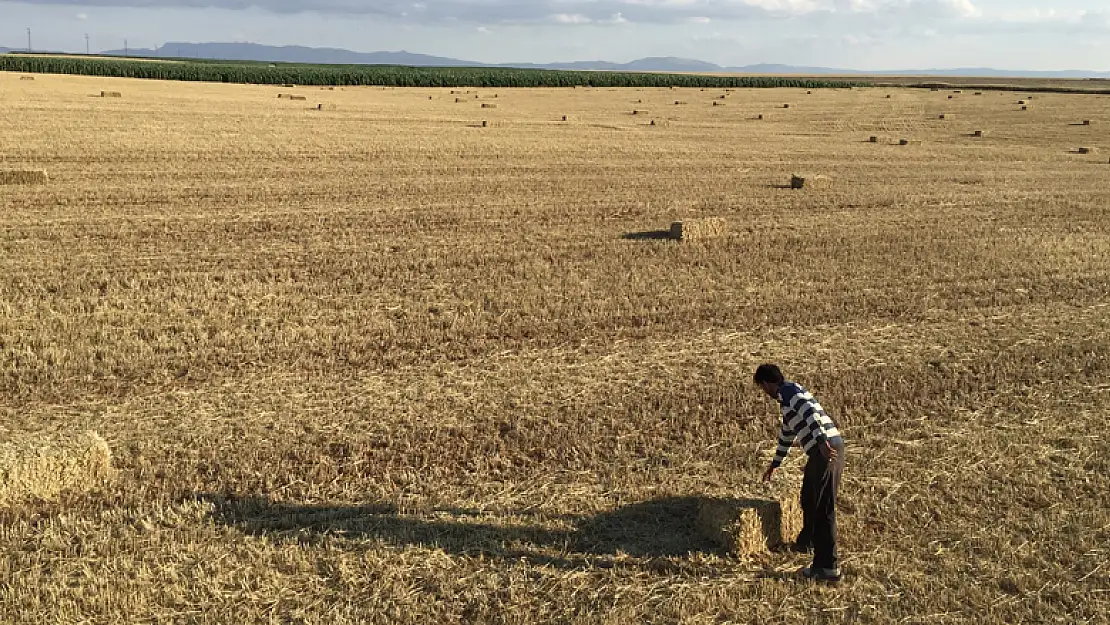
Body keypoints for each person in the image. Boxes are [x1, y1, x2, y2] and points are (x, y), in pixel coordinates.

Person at [754, 363, 845, 582]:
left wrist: (822, 440)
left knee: (824, 507)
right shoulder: (787, 403)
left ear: (767, 383)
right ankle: (808, 542)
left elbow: (810, 412)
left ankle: (827, 567)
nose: (763, 392)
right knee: (809, 498)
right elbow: (787, 434)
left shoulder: (789, 391)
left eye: (762, 387)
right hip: (824, 449)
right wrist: (775, 464)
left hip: (826, 449)